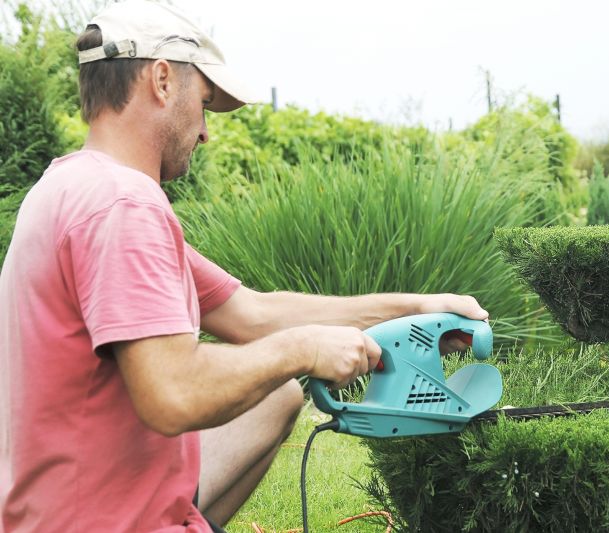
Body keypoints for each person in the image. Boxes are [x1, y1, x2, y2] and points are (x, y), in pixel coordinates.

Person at [0, 1, 488, 531]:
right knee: (274, 378)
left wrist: (416, 309)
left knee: (274, 397)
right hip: (89, 520)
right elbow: (173, 392)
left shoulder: (70, 189)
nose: (206, 131)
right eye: (204, 103)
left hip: (53, 508)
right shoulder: (123, 205)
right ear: (163, 80)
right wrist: (302, 349)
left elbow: (251, 313)